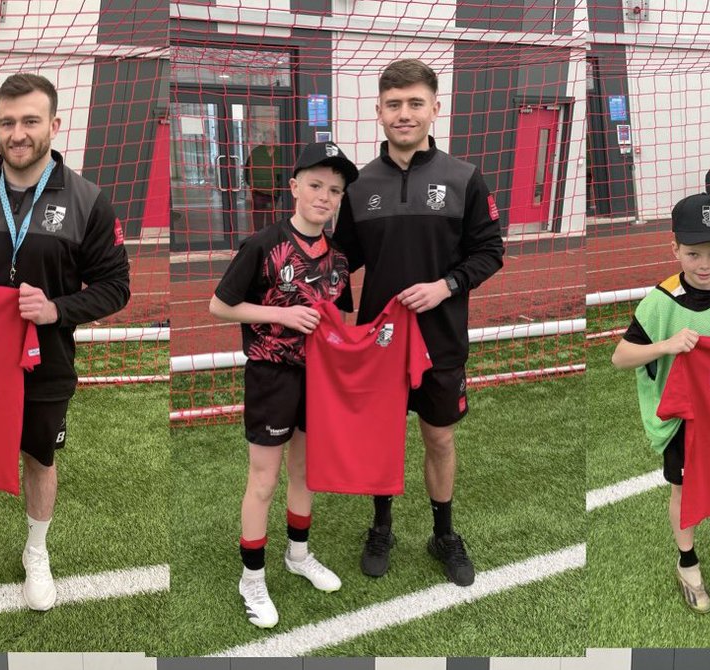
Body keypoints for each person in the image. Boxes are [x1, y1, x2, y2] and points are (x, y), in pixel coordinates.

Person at [0, 72, 131, 611]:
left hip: (48, 362)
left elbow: (116, 287)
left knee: (40, 458)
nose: (18, 133)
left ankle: (35, 551)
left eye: (30, 121)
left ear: (54, 125)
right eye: (8, 122)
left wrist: (56, 310)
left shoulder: (88, 200)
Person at [334, 58, 504, 587]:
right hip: (380, 343)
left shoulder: (464, 178)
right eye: (393, 105)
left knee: (440, 440)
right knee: (383, 440)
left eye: (414, 103)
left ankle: (444, 534)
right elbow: (339, 262)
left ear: (435, 107)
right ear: (378, 112)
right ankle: (381, 526)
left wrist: (445, 286)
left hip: (441, 339)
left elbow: (490, 252)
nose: (403, 114)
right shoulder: (358, 185)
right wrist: (339, 327)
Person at [209, 140, 357, 629]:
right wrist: (280, 313)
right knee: (264, 479)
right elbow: (219, 305)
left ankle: (298, 555)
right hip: (272, 374)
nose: (324, 197)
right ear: (294, 187)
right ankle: (251, 579)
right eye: (316, 185)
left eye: (334, 190)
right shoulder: (262, 244)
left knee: (305, 472)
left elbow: (342, 319)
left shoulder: (337, 257)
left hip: (320, 379)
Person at [611, 193, 710, 613]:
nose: (704, 265)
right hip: (682, 418)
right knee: (684, 487)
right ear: (675, 249)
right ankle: (687, 561)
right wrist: (667, 345)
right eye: (693, 253)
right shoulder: (660, 302)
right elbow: (620, 357)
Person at [243, 128, 281, 231]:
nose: (272, 139)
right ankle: (258, 236)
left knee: (271, 215)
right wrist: (252, 185)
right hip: (258, 191)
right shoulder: (256, 152)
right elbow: (247, 170)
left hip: (274, 191)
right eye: (269, 137)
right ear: (264, 139)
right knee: (258, 215)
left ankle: (270, 235)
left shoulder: (280, 152)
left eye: (274, 137)